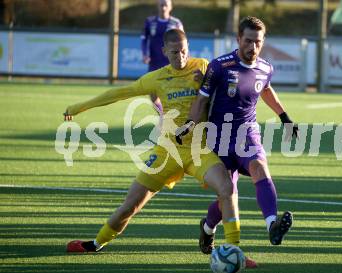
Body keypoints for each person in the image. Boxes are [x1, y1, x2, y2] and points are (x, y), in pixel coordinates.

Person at [64, 30, 249, 264]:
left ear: (188, 47)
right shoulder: (156, 78)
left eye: (183, 50)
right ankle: (96, 243)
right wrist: (78, 107)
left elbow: (231, 79)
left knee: (227, 189)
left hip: (199, 151)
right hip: (166, 152)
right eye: (174, 52)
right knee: (130, 206)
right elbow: (119, 93)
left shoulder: (202, 67)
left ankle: (233, 250)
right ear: (164, 52)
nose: (180, 56)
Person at [176, 16, 298, 254]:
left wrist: (285, 117)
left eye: (258, 42)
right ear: (238, 39)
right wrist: (190, 124)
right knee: (228, 195)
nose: (253, 47)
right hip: (218, 137)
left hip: (247, 133)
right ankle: (208, 228)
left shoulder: (265, 68)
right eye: (248, 41)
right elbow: (201, 99)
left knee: (260, 168)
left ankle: (272, 225)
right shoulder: (220, 66)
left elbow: (266, 89)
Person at [141, 0, 184, 113]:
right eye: (161, 5)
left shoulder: (176, 23)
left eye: (166, 5)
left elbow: (183, 42)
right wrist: (145, 54)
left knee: (171, 95)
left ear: (170, 7)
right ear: (158, 6)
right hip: (154, 64)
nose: (163, 7)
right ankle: (163, 116)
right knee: (153, 96)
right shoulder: (150, 22)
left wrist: (184, 58)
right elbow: (144, 39)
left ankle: (171, 119)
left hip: (171, 65)